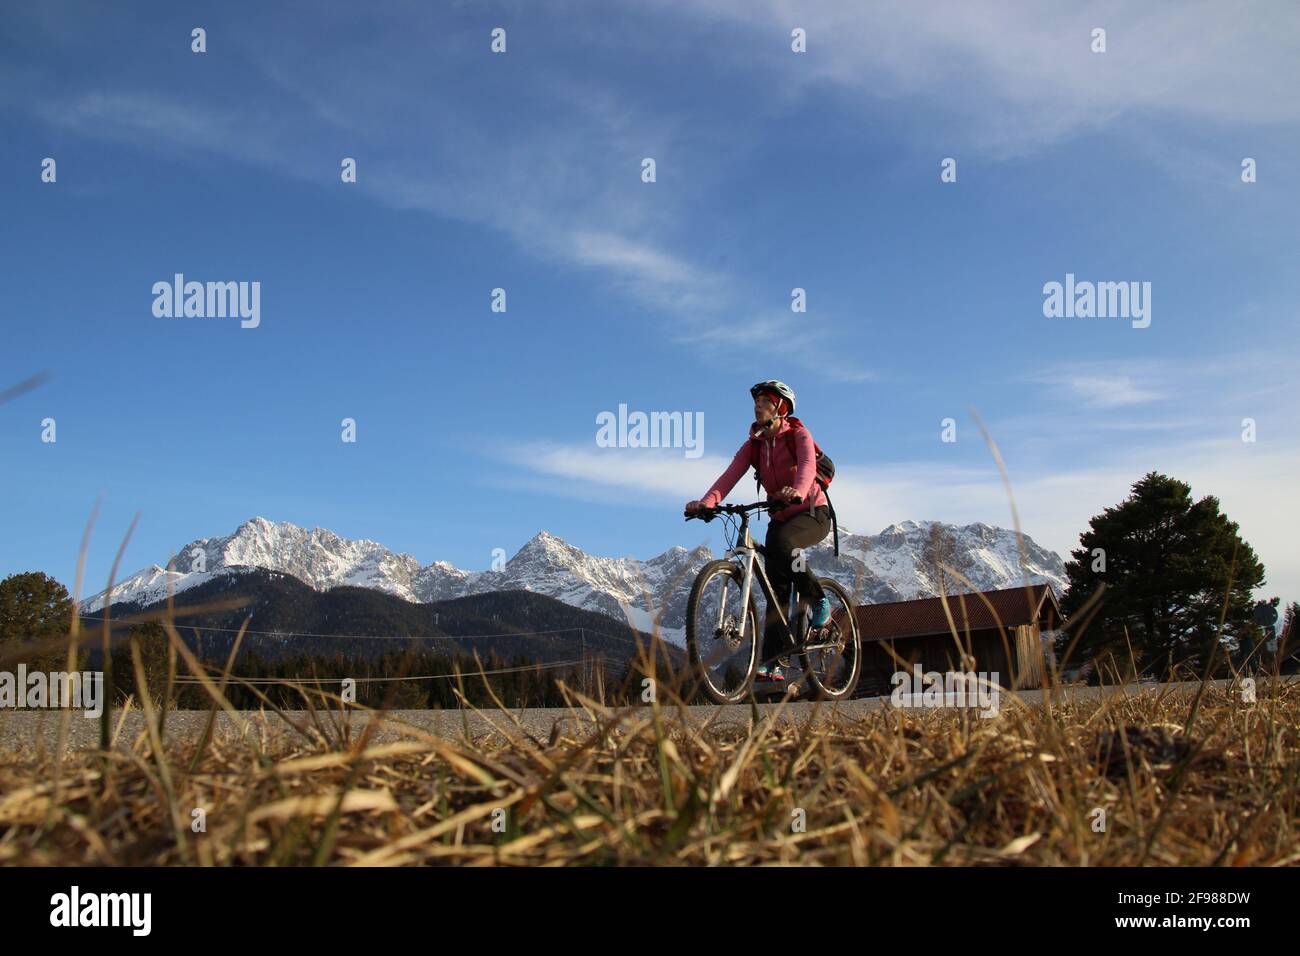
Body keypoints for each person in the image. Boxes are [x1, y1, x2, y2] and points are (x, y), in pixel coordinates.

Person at [685, 380, 832, 682]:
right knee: (775, 588)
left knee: (782, 544)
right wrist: (706, 503)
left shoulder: (799, 435)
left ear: (781, 407)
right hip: (780, 517)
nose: (758, 406)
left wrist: (799, 491)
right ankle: (774, 661)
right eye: (756, 402)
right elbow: (729, 476)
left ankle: (818, 599)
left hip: (813, 513)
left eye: (765, 401)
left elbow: (806, 467)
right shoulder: (754, 444)